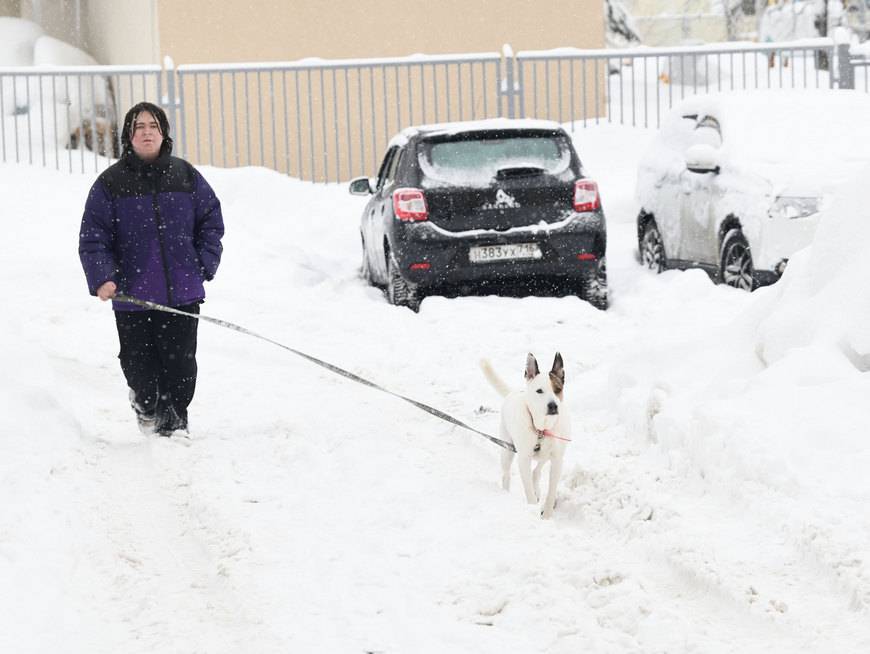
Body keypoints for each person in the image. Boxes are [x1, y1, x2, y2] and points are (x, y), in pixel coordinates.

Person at [78, 101, 224, 437]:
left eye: (153, 126)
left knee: (181, 369)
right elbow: (93, 237)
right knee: (140, 370)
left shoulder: (185, 175)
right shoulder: (110, 184)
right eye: (139, 127)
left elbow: (211, 222)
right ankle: (145, 405)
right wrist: (103, 277)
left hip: (181, 295)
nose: (147, 132)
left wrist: (202, 263)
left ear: (164, 134)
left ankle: (174, 426)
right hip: (133, 298)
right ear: (128, 136)